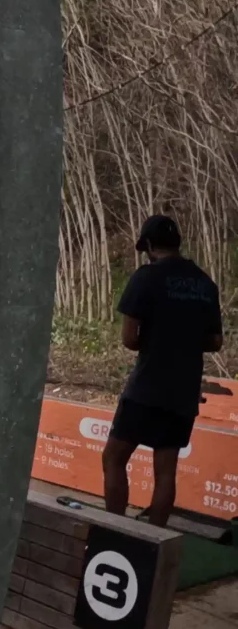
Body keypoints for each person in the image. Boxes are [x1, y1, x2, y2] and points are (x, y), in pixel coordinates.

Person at [103, 214, 224, 527]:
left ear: (149, 246)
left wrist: (158, 338)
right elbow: (215, 341)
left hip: (146, 388)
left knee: (114, 458)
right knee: (166, 470)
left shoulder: (146, 277)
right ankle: (154, 539)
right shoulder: (204, 283)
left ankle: (116, 530)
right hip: (183, 393)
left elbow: (130, 339)